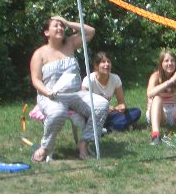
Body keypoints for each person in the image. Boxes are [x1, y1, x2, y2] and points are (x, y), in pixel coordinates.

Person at [30, 16, 109, 161]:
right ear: (47, 32)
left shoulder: (70, 43)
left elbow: (90, 31)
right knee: (58, 112)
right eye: (56, 25)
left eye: (62, 26)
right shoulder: (39, 54)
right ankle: (45, 148)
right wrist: (47, 93)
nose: (60, 28)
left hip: (75, 94)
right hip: (51, 96)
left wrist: (67, 23)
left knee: (101, 104)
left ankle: (84, 142)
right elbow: (36, 80)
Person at [82, 51, 141, 132]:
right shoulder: (89, 79)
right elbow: (83, 103)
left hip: (109, 115)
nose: (107, 64)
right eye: (103, 62)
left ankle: (106, 130)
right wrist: (103, 107)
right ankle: (119, 126)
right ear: (96, 65)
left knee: (136, 112)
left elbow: (121, 102)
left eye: (108, 62)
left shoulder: (115, 79)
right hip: (94, 115)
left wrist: (121, 107)